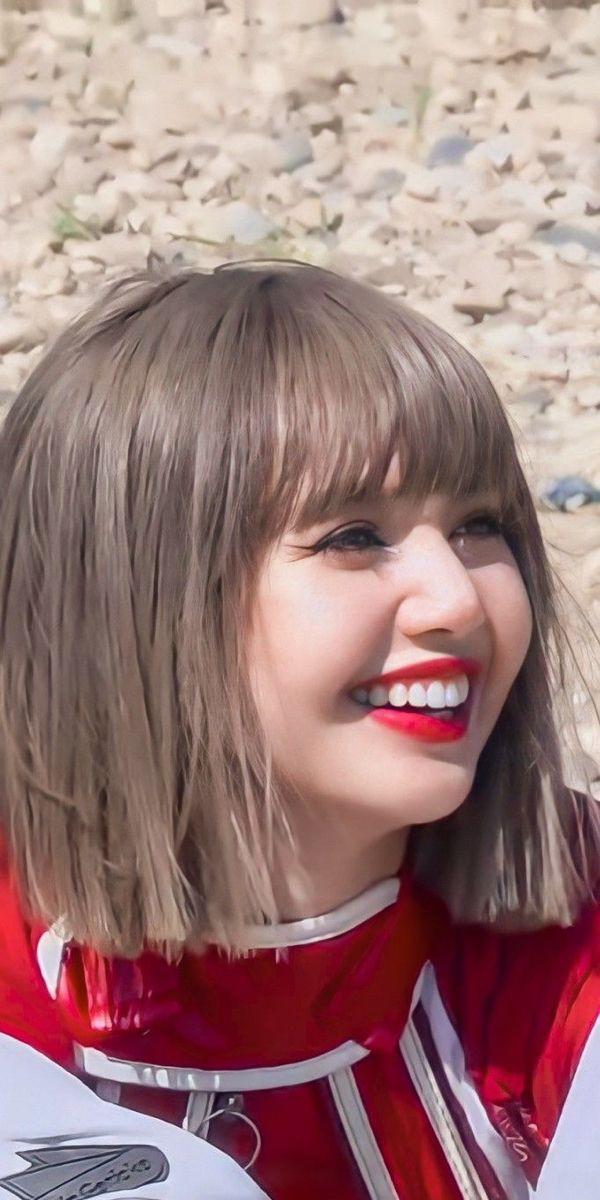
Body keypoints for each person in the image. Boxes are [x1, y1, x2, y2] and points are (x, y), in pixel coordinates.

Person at [0, 259, 598, 1200]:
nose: (456, 599)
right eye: (353, 536)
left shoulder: (573, 929)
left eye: (480, 525)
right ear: (130, 606)